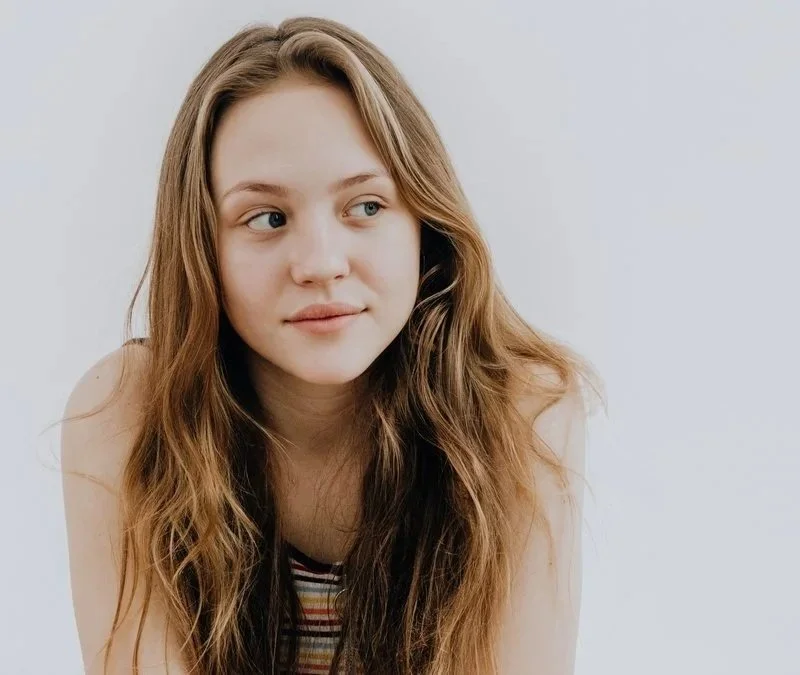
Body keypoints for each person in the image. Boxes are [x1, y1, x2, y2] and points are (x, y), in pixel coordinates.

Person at [59, 16, 602, 675]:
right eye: (267, 217)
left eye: (367, 207)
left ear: (424, 225)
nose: (320, 262)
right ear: (204, 248)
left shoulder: (523, 409)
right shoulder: (127, 411)